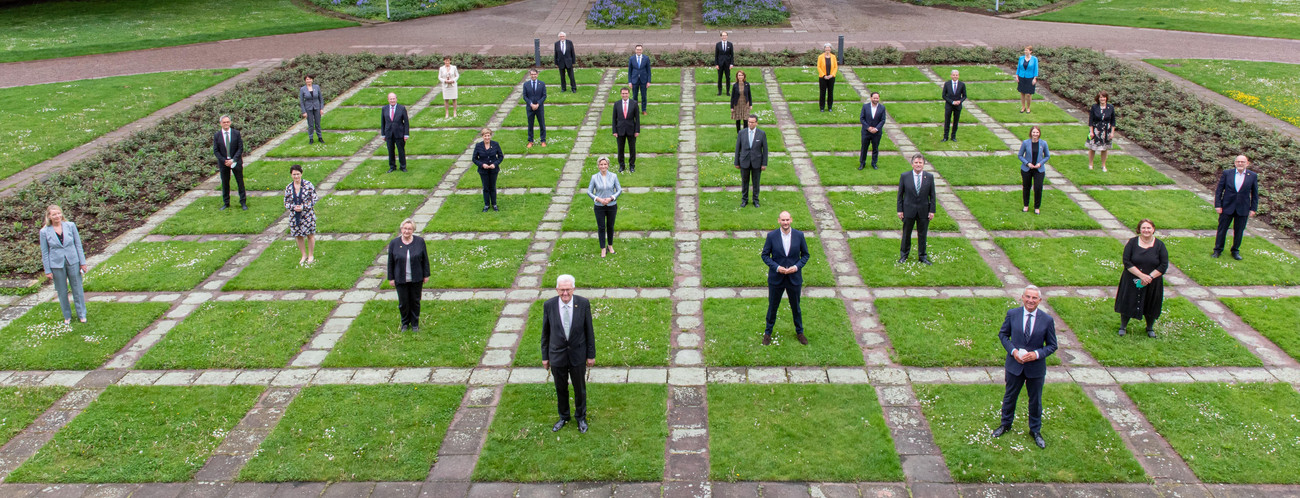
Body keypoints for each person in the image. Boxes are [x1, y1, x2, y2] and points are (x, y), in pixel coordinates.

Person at [992, 285, 1057, 450]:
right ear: (1022, 297)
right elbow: (1003, 335)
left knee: (1035, 400)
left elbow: (1052, 345)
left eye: (1034, 298)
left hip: (1035, 368)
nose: (1030, 301)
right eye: (1028, 297)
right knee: (1010, 396)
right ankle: (1005, 424)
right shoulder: (1012, 314)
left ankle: (1035, 431)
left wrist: (1036, 354)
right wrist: (1013, 351)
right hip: (1015, 365)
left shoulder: (1047, 320)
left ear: (1039, 301)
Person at [541, 274, 596, 434]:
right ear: (557, 289)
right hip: (557, 355)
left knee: (580, 388)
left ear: (573, 289)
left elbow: (589, 331)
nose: (565, 294)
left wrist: (590, 355)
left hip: (578, 355)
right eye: (562, 290)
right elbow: (545, 333)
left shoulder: (583, 304)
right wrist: (545, 357)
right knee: (560, 388)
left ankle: (581, 417)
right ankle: (564, 416)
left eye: (568, 290)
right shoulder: (549, 305)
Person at [761, 211, 811, 346]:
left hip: (794, 278)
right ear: (779, 221)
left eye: (787, 220)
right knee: (772, 306)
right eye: (783, 220)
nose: (785, 222)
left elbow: (805, 255)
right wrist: (777, 267)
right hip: (776, 278)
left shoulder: (799, 236)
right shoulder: (772, 236)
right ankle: (768, 333)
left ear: (791, 220)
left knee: (796, 307)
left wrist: (796, 267)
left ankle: (800, 332)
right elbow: (765, 255)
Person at [1115, 219, 1168, 338]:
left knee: (1151, 303)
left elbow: (1163, 265)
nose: (1146, 230)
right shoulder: (1132, 243)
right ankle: (1123, 326)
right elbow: (1126, 261)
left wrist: (1149, 277)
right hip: (1132, 279)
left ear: (1153, 229)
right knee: (1128, 301)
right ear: (1139, 229)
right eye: (1143, 228)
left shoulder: (1160, 245)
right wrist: (1141, 276)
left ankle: (1150, 328)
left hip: (1152, 281)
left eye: (1149, 228)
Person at [39, 205, 88, 324]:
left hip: (73, 261)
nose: (57, 216)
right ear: (49, 216)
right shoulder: (44, 231)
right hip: (56, 264)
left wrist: (82, 263)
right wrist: (48, 270)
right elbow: (45, 252)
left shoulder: (70, 226)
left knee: (77, 288)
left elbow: (78, 245)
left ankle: (81, 314)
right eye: (54, 214)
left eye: (59, 213)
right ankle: (67, 316)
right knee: (62, 291)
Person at [1212, 154, 1259, 260]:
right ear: (1235, 163)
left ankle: (1235, 251)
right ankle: (1217, 250)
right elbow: (1219, 190)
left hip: (1243, 208)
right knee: (1222, 229)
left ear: (1247, 163)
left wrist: (1253, 208)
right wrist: (1218, 205)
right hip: (1227, 207)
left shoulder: (1252, 176)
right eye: (1238, 161)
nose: (1240, 163)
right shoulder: (1227, 173)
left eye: (1243, 162)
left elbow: (1255, 194)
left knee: (1239, 231)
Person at [387, 219, 429, 333]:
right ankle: (405, 323)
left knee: (415, 301)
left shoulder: (420, 241)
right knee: (403, 303)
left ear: (413, 230)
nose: (407, 231)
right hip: (400, 279)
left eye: (409, 229)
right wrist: (391, 277)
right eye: (405, 228)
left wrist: (426, 274)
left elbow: (425, 259)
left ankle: (415, 324)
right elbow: (390, 262)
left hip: (416, 278)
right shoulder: (394, 243)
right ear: (401, 229)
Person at [897, 155, 936, 266]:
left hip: (924, 211)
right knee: (906, 234)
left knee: (923, 235)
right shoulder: (905, 176)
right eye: (916, 162)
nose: (918, 165)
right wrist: (900, 210)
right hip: (908, 210)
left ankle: (922, 257)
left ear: (923, 164)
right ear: (912, 164)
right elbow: (900, 195)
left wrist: (932, 210)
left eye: (920, 163)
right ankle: (903, 255)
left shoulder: (929, 177)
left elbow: (932, 195)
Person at [587, 157, 622, 258]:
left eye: (605, 164)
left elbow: (619, 190)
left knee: (610, 226)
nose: (603, 166)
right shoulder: (594, 177)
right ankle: (603, 248)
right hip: (599, 206)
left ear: (608, 165)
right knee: (601, 227)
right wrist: (599, 199)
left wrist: (611, 198)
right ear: (598, 166)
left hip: (612, 205)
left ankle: (610, 246)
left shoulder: (614, 176)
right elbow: (589, 191)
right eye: (601, 164)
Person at [284, 164, 318, 265]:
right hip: (295, 216)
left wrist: (304, 207)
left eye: (298, 174)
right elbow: (286, 202)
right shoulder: (289, 188)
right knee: (298, 235)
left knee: (310, 235)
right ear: (291, 175)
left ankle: (311, 255)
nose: (296, 176)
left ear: (301, 174)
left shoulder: (308, 185)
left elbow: (314, 198)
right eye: (294, 174)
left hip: (307, 215)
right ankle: (304, 255)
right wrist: (293, 207)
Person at [213, 115, 246, 210]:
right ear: (220, 124)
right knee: (225, 183)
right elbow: (216, 150)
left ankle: (243, 202)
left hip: (235, 161)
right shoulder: (217, 135)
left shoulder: (236, 133)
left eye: (227, 122)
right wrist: (224, 161)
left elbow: (240, 148)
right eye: (224, 122)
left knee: (240, 182)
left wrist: (233, 160)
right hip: (224, 163)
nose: (226, 124)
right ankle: (226, 203)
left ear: (230, 122)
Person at [734, 114, 768, 207]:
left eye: (752, 122)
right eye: (749, 122)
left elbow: (765, 150)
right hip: (744, 161)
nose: (750, 124)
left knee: (756, 182)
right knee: (744, 182)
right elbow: (738, 148)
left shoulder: (761, 134)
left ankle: (755, 200)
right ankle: (744, 200)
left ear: (756, 123)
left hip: (757, 162)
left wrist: (764, 163)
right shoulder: (742, 133)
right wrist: (736, 162)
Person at [1018, 126, 1050, 214]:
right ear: (1030, 133)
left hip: (1039, 170)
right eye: (1033, 132)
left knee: (1038, 188)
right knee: (1026, 187)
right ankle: (1026, 205)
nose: (1035, 134)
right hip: (1027, 169)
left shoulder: (1043, 143)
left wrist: (1040, 164)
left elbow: (1047, 156)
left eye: (1037, 132)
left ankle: (1036, 207)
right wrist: (1027, 163)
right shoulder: (1025, 143)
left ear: (1039, 133)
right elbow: (1020, 155)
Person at [473, 128, 504, 212]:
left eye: (488, 135)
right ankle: (487, 204)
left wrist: (495, 164)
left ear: (491, 136)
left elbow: (501, 156)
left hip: (493, 170)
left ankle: (494, 204)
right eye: (485, 136)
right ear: (482, 136)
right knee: (485, 187)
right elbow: (474, 159)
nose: (487, 138)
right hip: (483, 171)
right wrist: (482, 165)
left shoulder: (495, 144)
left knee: (492, 187)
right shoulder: (478, 146)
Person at [611, 87, 640, 173]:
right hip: (620, 130)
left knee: (632, 149)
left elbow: (637, 118)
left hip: (631, 130)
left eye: (626, 93)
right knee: (620, 149)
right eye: (623, 93)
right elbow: (614, 119)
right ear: (621, 94)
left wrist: (637, 130)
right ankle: (621, 166)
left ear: (629, 94)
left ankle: (632, 166)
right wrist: (614, 131)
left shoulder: (634, 104)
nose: (624, 95)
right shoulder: (617, 104)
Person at [381, 93, 410, 173]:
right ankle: (392, 166)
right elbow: (383, 122)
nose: (392, 100)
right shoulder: (384, 109)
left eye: (393, 98)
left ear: (396, 99)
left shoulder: (402, 108)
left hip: (399, 133)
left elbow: (406, 122)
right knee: (390, 151)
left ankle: (403, 167)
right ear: (388, 100)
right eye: (391, 99)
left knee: (401, 151)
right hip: (389, 133)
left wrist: (406, 134)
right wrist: (383, 134)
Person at [859, 92, 886, 170]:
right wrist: (868, 128)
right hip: (866, 132)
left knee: (875, 148)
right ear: (871, 98)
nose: (875, 100)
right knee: (864, 148)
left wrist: (876, 129)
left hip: (876, 133)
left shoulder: (882, 108)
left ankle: (874, 163)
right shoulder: (865, 106)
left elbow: (883, 120)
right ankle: (862, 163)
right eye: (874, 98)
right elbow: (862, 118)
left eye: (877, 98)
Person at [523, 68, 548, 148]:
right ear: (530, 75)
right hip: (530, 108)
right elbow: (525, 96)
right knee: (530, 124)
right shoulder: (526, 84)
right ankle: (530, 141)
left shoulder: (542, 84)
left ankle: (543, 140)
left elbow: (544, 95)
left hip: (539, 108)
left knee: (542, 124)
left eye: (535, 74)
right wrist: (531, 104)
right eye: (532, 74)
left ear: (537, 75)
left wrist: (538, 104)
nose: (533, 76)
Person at [299, 75, 325, 144]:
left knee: (317, 124)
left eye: (310, 79)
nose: (309, 81)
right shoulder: (302, 89)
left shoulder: (316, 87)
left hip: (317, 107)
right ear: (305, 80)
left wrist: (321, 108)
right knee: (310, 124)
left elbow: (321, 98)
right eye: (307, 79)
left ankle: (320, 137)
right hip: (308, 108)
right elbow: (301, 101)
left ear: (312, 80)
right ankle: (311, 138)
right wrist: (304, 111)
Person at [941, 70, 966, 142]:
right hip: (949, 105)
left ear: (958, 76)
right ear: (951, 76)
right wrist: (952, 102)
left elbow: (964, 96)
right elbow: (944, 96)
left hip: (958, 106)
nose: (955, 76)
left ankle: (953, 136)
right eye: (954, 75)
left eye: (956, 75)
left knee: (956, 121)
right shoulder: (947, 84)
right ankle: (945, 137)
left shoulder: (962, 84)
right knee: (947, 121)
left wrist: (960, 101)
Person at [628, 45, 651, 115]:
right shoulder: (632, 59)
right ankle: (635, 110)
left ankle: (644, 110)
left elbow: (648, 70)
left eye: (640, 50)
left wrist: (648, 81)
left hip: (643, 80)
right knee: (634, 96)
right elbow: (630, 71)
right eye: (637, 50)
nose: (639, 51)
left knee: (644, 96)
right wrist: (630, 81)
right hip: (634, 80)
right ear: (635, 50)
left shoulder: (646, 58)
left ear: (642, 50)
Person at [1017, 46, 1039, 114]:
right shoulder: (1021, 58)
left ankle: (1028, 107)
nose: (1025, 52)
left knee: (1028, 94)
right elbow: (1018, 68)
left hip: (1030, 78)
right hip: (1021, 77)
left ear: (1030, 51)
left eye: (1027, 50)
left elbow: (1036, 69)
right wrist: (1017, 76)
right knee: (1022, 92)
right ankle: (1023, 107)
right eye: (1025, 50)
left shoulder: (1034, 59)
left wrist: (1035, 78)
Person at [816, 43, 837, 112]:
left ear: (830, 49)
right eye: (826, 48)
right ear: (824, 49)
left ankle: (830, 107)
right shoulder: (820, 57)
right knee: (822, 92)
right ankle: (822, 107)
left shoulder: (833, 57)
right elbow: (818, 67)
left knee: (830, 92)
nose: (827, 49)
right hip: (823, 78)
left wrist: (832, 75)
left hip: (831, 77)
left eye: (829, 48)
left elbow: (835, 67)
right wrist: (823, 75)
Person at [714, 31, 734, 96]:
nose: (724, 37)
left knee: (728, 78)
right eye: (723, 35)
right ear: (721, 36)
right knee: (720, 78)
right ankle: (719, 91)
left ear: (727, 36)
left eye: (725, 35)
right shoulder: (718, 44)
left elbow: (732, 55)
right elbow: (716, 55)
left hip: (727, 64)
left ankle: (728, 91)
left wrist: (731, 64)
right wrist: (716, 64)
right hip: (720, 64)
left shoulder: (730, 44)